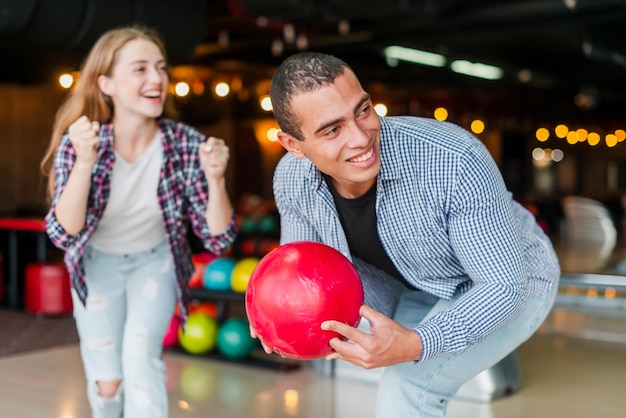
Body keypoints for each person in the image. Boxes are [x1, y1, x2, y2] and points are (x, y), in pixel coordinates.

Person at [265, 51, 560, 417]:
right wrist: (273, 315)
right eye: (332, 130)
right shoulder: (292, 179)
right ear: (293, 145)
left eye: (363, 110)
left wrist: (419, 342)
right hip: (410, 286)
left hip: (512, 277)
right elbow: (300, 275)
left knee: (408, 384)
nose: (361, 138)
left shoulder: (454, 158)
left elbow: (503, 287)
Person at [40, 25, 237, 418]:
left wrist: (216, 180)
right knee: (107, 380)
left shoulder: (184, 144)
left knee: (140, 362)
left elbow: (217, 240)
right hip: (97, 266)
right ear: (107, 84)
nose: (157, 79)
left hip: (155, 262)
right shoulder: (83, 143)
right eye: (140, 69)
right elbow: (64, 232)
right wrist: (84, 161)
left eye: (161, 68)